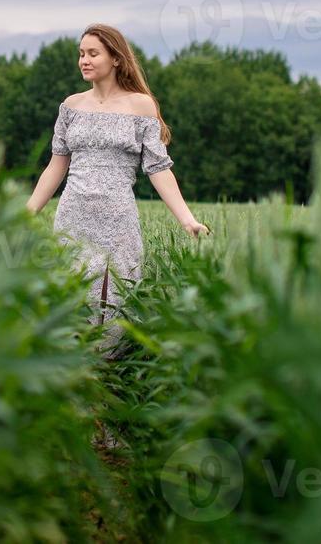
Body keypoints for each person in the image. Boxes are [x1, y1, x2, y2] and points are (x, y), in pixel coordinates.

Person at [25, 24, 210, 365]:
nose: (84, 60)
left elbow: (158, 169)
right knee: (71, 298)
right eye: (81, 54)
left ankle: (108, 384)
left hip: (117, 220)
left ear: (116, 58)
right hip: (73, 216)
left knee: (115, 302)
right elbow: (56, 166)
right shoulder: (70, 106)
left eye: (93, 53)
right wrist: (28, 212)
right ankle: (70, 381)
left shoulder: (141, 106)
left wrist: (188, 220)